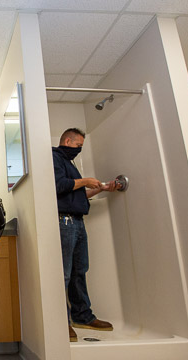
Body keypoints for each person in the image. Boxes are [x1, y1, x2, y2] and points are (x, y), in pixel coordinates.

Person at [52, 128, 119, 343]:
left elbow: (78, 193)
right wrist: (86, 180)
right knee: (64, 274)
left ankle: (82, 316)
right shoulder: (54, 158)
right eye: (78, 145)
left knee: (80, 270)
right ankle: (61, 322)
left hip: (78, 222)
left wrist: (101, 188)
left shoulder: (70, 165)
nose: (79, 150)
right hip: (64, 221)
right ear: (68, 140)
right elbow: (58, 186)